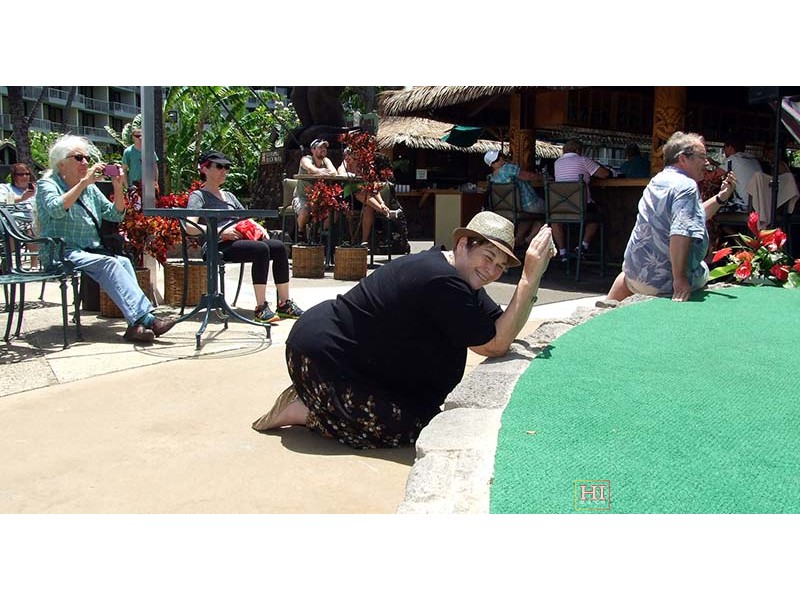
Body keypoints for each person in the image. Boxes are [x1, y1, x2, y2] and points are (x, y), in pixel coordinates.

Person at [252, 211, 557, 449]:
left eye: (501, 266)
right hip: (321, 357)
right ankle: (305, 409)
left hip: (344, 356)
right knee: (408, 427)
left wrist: (531, 279)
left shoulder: (460, 276)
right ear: (464, 244)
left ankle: (321, 399)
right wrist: (529, 277)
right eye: (488, 257)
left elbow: (500, 324)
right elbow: (493, 344)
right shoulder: (442, 280)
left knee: (421, 413)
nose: (492, 271)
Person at [35, 134, 176, 343]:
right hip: (62, 251)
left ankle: (136, 325)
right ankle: (148, 320)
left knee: (124, 262)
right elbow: (56, 209)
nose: (85, 162)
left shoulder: (90, 189)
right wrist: (84, 183)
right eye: (78, 158)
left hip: (89, 250)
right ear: (61, 163)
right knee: (109, 263)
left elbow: (115, 214)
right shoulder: (48, 185)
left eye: (86, 158)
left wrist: (118, 187)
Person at [602, 131, 736, 304]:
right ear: (683, 159)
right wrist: (680, 279)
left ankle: (608, 303)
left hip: (633, 274)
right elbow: (680, 232)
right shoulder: (687, 186)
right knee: (703, 268)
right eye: (702, 156)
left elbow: (693, 217)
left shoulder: (658, 180)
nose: (707, 162)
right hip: (664, 282)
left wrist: (721, 197)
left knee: (632, 271)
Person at [186, 150, 304, 323]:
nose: (224, 171)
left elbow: (244, 217)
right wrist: (219, 231)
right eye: (219, 166)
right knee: (260, 249)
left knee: (278, 247)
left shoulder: (229, 196)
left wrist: (258, 227)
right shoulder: (198, 196)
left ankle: (284, 303)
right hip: (217, 245)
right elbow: (190, 227)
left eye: (226, 167)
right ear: (205, 169)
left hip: (240, 240)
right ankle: (261, 307)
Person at [552, 138, 610, 261]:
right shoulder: (583, 160)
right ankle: (583, 246)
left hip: (561, 206)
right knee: (598, 214)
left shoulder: (557, 163)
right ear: (578, 150)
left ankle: (562, 253)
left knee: (555, 220)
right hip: (580, 207)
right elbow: (604, 174)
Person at [337, 147, 401, 246]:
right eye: (346, 155)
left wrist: (382, 203)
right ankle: (387, 213)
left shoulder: (363, 169)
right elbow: (340, 174)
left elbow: (373, 189)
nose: (348, 157)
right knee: (360, 194)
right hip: (350, 198)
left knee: (368, 208)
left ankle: (364, 241)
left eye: (351, 154)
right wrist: (349, 173)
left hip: (366, 198)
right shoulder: (344, 166)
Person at [484, 150, 545, 248]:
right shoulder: (507, 168)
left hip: (505, 209)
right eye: (498, 158)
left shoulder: (491, 178)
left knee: (528, 216)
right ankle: (529, 240)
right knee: (549, 212)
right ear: (493, 164)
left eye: (500, 156)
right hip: (528, 203)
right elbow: (529, 176)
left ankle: (518, 239)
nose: (501, 158)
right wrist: (544, 177)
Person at [292, 138, 337, 242]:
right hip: (303, 197)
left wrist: (321, 172)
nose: (323, 149)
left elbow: (333, 172)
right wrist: (320, 171)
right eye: (320, 147)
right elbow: (310, 168)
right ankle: (300, 232)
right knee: (305, 211)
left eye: (325, 147)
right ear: (313, 150)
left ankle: (318, 234)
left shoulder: (326, 160)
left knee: (334, 211)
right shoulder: (306, 159)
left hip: (319, 199)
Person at [0, 162, 39, 267]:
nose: (25, 176)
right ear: (14, 176)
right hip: (13, 220)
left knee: (32, 228)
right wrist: (22, 198)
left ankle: (34, 266)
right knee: (14, 229)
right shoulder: (5, 188)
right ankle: (7, 262)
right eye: (21, 174)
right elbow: (2, 201)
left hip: (33, 219)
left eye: (27, 174)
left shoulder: (36, 190)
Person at [712, 135, 762, 213]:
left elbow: (712, 176)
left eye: (724, 147)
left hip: (743, 206)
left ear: (730, 148)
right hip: (758, 206)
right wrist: (713, 163)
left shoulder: (733, 159)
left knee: (714, 210)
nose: (724, 150)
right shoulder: (753, 160)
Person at [121, 123, 159, 199]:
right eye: (137, 136)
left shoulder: (150, 150)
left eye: (142, 136)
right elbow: (124, 170)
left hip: (149, 186)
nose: (140, 138)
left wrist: (156, 183)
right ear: (133, 137)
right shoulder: (128, 152)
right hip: (134, 186)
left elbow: (155, 168)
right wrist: (127, 187)